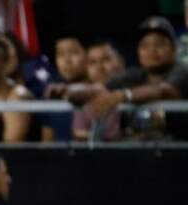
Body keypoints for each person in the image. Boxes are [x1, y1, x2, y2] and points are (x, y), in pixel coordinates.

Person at [52, 17, 188, 139]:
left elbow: (163, 90)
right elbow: (98, 88)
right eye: (145, 45)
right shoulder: (136, 74)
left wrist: (121, 96)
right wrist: (67, 90)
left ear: (173, 49)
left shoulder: (182, 71)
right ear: (138, 52)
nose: (152, 50)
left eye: (159, 44)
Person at [42, 33, 87, 141]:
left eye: (73, 53)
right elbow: (47, 141)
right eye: (60, 54)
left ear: (88, 54)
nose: (67, 61)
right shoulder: (51, 93)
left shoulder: (102, 90)